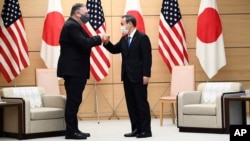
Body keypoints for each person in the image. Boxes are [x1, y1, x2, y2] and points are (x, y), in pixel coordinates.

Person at [57, 3, 107, 140]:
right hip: (73, 70)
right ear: (77, 14)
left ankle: (74, 129)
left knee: (75, 100)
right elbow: (84, 43)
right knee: (73, 101)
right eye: (86, 12)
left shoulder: (75, 25)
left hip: (75, 70)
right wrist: (99, 37)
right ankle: (71, 132)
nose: (88, 15)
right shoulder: (72, 26)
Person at [103, 15, 152, 138]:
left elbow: (147, 58)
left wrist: (146, 74)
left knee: (141, 104)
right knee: (131, 104)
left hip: (139, 76)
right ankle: (136, 129)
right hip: (127, 76)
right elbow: (114, 49)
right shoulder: (124, 39)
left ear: (130, 24)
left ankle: (146, 130)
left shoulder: (142, 37)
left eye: (122, 24)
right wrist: (107, 43)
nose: (121, 27)